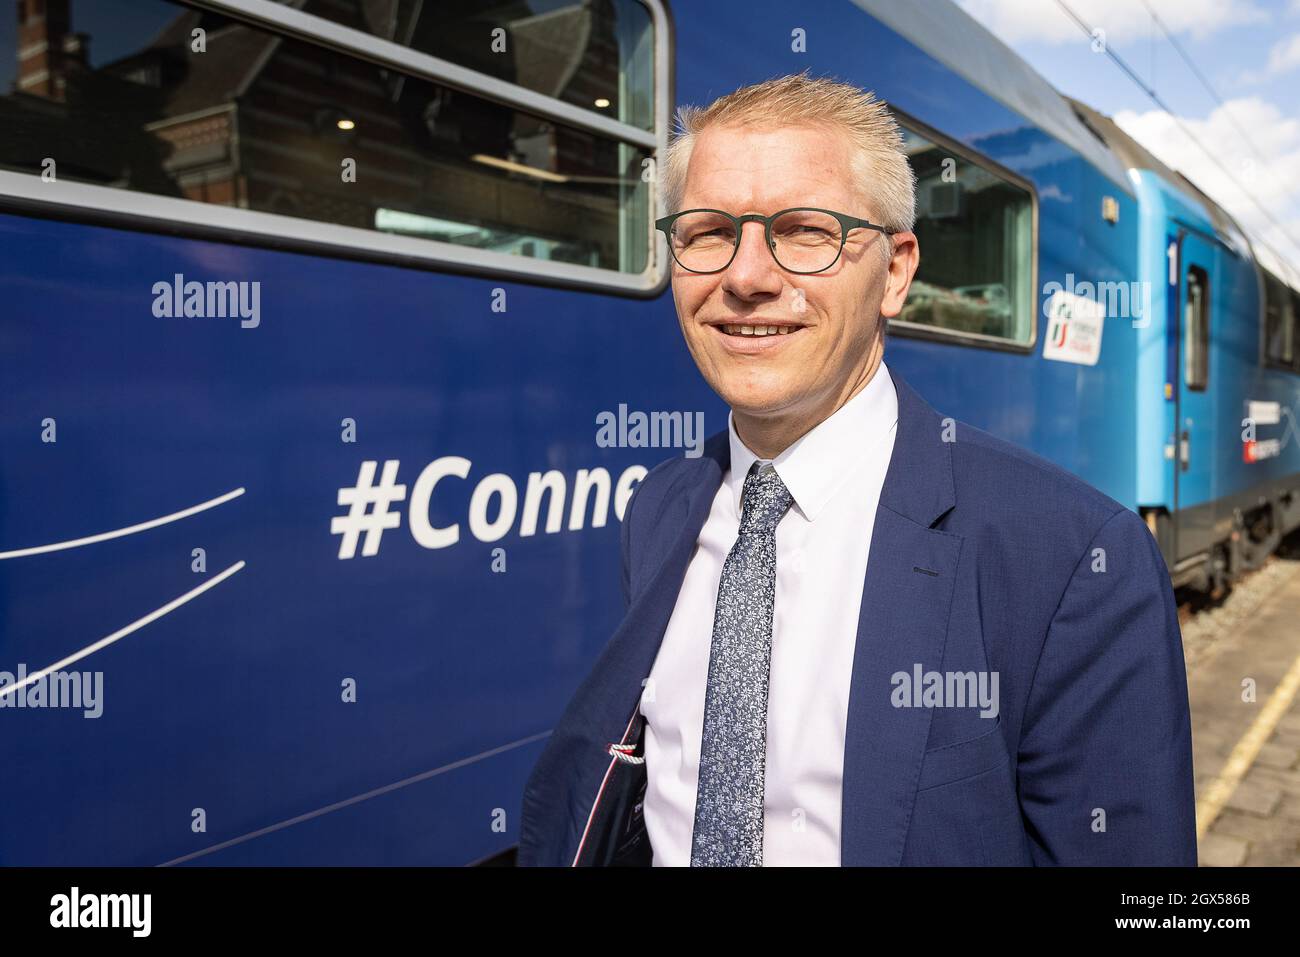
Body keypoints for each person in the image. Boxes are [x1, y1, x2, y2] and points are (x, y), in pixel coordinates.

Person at [519, 72, 1197, 866]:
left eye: (805, 230)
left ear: (897, 271)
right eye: (706, 232)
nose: (746, 278)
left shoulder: (1070, 558)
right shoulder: (661, 507)